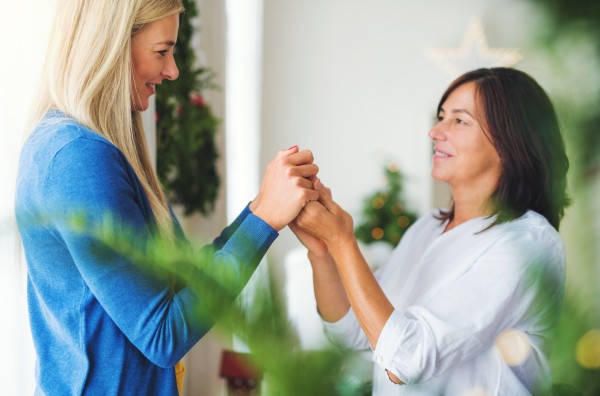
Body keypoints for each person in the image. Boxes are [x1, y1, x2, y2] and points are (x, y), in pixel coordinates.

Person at [15, 1, 321, 395]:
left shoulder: (81, 146)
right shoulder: (78, 157)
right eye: (162, 51)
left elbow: (182, 280)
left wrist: (263, 207)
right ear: (108, 45)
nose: (172, 70)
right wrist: (263, 221)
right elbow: (162, 334)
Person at [291, 68, 570, 395]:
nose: (435, 131)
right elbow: (352, 331)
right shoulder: (429, 226)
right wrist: (322, 251)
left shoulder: (528, 245)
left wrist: (342, 241)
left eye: (459, 120)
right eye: (441, 117)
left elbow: (405, 361)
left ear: (510, 145)